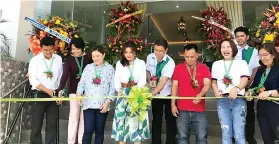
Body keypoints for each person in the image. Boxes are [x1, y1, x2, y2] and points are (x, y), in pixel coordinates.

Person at [211, 39, 250, 144]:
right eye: (223, 47)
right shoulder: (216, 64)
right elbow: (213, 82)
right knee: (226, 133)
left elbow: (245, 79)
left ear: (233, 48)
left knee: (239, 134)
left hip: (238, 100)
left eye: (228, 47)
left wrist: (236, 89)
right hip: (222, 101)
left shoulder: (241, 63)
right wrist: (215, 91)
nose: (225, 49)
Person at [111, 41, 151, 144]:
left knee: (135, 122)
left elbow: (142, 80)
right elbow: (116, 78)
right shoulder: (120, 63)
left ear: (135, 53)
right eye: (126, 52)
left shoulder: (141, 63)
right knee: (121, 122)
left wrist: (136, 91)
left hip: (136, 94)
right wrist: (118, 89)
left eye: (131, 52)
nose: (128, 55)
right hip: (123, 93)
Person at [171, 44, 211, 144]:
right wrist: (173, 104)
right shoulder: (178, 68)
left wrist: (201, 94)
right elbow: (174, 86)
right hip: (182, 110)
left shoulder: (204, 68)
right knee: (182, 138)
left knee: (202, 139)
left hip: (199, 110)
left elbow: (207, 85)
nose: (189, 59)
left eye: (192, 57)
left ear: (197, 55)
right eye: (186, 57)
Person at [76, 45, 115, 144]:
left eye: (98, 56)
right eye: (93, 56)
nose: (95, 58)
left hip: (102, 105)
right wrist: (79, 94)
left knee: (99, 132)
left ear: (103, 55)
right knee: (88, 131)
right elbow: (82, 83)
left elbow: (113, 87)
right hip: (88, 104)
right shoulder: (88, 67)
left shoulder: (110, 68)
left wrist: (107, 102)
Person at [28, 36, 63, 144]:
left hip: (54, 95)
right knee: (36, 125)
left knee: (51, 125)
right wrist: (47, 90)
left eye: (50, 49)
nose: (48, 52)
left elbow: (61, 78)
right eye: (45, 50)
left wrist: (60, 94)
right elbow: (33, 80)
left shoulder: (58, 59)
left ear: (54, 48)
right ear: (41, 48)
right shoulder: (35, 60)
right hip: (39, 95)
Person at [57, 37, 92, 144]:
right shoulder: (69, 60)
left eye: (78, 49)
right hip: (73, 92)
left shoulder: (88, 58)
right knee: (73, 118)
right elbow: (64, 76)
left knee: (83, 119)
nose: (75, 51)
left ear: (82, 48)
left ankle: (81, 141)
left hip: (88, 92)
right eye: (73, 49)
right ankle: (71, 142)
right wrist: (60, 90)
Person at [245, 43, 279, 144]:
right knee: (267, 138)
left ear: (273, 54)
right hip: (262, 108)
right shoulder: (260, 70)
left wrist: (269, 93)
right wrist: (249, 92)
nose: (262, 58)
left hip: (276, 108)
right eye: (260, 55)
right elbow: (255, 86)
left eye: (265, 55)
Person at [146, 38, 176, 144]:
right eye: (156, 50)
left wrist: (151, 94)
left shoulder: (170, 62)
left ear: (166, 50)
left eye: (161, 51)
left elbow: (163, 82)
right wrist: (150, 80)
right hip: (155, 94)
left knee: (170, 119)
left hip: (167, 93)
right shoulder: (150, 57)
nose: (158, 53)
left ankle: (171, 141)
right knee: (156, 119)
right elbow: (147, 71)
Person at [234, 26, 260, 144]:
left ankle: (249, 136)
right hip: (235, 87)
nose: (239, 38)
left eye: (242, 36)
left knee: (249, 112)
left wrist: (248, 82)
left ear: (247, 37)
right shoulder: (232, 50)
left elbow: (255, 68)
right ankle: (236, 136)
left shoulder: (253, 51)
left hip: (249, 86)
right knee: (236, 111)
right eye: (237, 36)